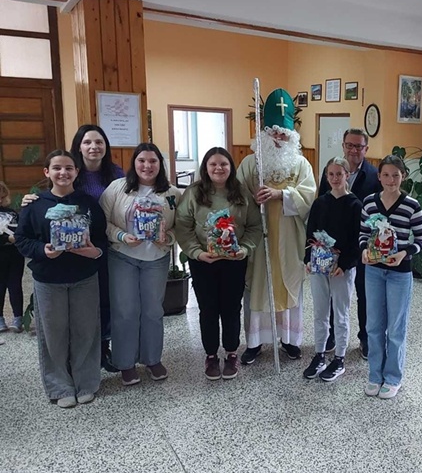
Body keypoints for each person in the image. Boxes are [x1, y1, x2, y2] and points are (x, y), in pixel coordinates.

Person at [22, 124, 125, 372]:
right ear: (78, 146)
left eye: (99, 142)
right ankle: (72, 359)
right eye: (87, 142)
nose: (94, 147)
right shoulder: (67, 169)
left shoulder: (116, 173)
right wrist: (30, 199)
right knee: (76, 309)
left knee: (104, 300)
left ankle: (101, 349)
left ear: (106, 146)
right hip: (70, 254)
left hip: (107, 245)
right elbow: (51, 199)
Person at [14, 150, 107, 408]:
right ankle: (59, 386)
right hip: (48, 279)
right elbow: (21, 239)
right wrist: (42, 250)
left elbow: (102, 238)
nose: (63, 173)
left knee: (86, 331)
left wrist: (94, 252)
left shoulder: (88, 203)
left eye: (68, 168)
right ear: (47, 172)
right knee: (53, 334)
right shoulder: (35, 204)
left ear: (77, 172)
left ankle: (86, 383)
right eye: (57, 168)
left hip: (84, 277)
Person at [237, 88, 316, 365]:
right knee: (258, 287)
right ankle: (255, 343)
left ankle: (290, 340)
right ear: (264, 134)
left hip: (289, 238)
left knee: (288, 284)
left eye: (284, 134)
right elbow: (237, 198)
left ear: (292, 136)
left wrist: (281, 194)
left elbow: (309, 195)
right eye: (274, 133)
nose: (279, 139)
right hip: (259, 239)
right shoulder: (250, 163)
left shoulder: (301, 164)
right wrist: (252, 199)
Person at [175, 147, 261, 380]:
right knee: (208, 309)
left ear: (231, 167)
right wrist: (196, 252)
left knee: (232, 308)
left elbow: (255, 226)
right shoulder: (193, 193)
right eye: (213, 164)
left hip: (234, 261)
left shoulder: (241, 193)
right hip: (203, 261)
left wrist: (244, 249)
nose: (218, 168)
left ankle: (232, 353)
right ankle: (211, 355)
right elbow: (183, 226)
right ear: (205, 167)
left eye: (223, 164)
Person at [99, 143, 181, 386]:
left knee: (153, 311)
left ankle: (152, 359)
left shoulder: (172, 193)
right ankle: (125, 363)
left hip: (156, 259)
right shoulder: (117, 188)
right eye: (142, 160)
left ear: (160, 164)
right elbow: (101, 222)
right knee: (125, 311)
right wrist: (121, 236)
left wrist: (167, 238)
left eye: (153, 161)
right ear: (134, 163)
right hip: (122, 256)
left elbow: (182, 225)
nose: (147, 166)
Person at [359, 155, 422, 399]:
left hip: (400, 273)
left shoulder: (411, 206)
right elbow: (363, 233)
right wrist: (364, 250)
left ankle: (393, 377)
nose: (390, 180)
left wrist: (404, 254)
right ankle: (375, 375)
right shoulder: (369, 203)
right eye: (386, 175)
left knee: (396, 328)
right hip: (374, 272)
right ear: (379, 177)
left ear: (403, 177)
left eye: (395, 175)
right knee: (373, 325)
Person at [317, 128, 380, 359]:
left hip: (362, 246)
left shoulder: (374, 175)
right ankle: (332, 335)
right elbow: (322, 204)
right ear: (343, 146)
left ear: (366, 149)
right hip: (335, 246)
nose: (354, 150)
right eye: (349, 145)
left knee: (365, 293)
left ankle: (365, 337)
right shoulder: (332, 171)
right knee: (335, 293)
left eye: (359, 146)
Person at [303, 157, 363, 381]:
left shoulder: (355, 205)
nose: (335, 178)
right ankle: (319, 354)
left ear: (347, 175)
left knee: (340, 312)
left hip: (341, 269)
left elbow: (357, 240)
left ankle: (339, 358)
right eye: (331, 174)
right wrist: (308, 259)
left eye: (339, 174)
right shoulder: (320, 203)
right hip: (319, 267)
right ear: (326, 176)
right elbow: (310, 233)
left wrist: (345, 264)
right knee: (320, 312)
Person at [0, 181, 24, 333]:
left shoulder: (12, 213)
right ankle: (0, 319)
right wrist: (6, 239)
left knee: (15, 286)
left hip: (15, 254)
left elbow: (21, 230)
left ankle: (18, 318)